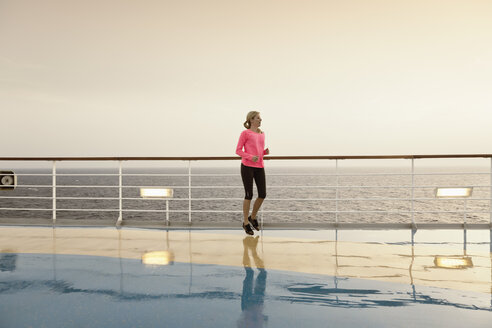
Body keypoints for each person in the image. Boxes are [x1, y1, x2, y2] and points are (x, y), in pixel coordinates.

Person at [235, 111, 269, 235]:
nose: (261, 120)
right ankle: (245, 222)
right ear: (251, 120)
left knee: (262, 194)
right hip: (247, 166)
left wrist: (264, 153)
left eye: (260, 118)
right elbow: (238, 150)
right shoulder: (245, 133)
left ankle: (252, 217)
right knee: (248, 195)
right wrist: (249, 157)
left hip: (259, 166)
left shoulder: (262, 133)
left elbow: (258, 150)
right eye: (258, 118)